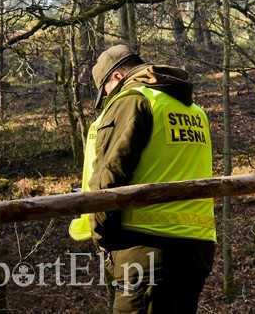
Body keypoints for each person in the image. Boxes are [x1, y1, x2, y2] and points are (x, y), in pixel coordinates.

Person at [69, 45, 216, 313]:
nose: (107, 100)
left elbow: (110, 174)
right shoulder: (194, 111)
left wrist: (102, 235)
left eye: (105, 93)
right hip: (198, 249)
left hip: (145, 249)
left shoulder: (133, 100)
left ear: (115, 78)